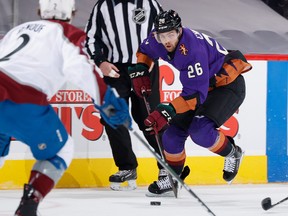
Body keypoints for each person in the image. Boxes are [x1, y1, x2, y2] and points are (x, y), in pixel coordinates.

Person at [0, 0, 131, 215]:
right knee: (60, 149)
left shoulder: (17, 30)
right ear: (72, 13)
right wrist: (109, 104)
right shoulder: (68, 33)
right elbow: (81, 70)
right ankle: (28, 206)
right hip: (22, 97)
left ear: (38, 11)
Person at [129, 9, 252, 196]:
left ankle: (232, 152)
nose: (167, 40)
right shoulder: (156, 41)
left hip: (227, 86)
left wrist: (168, 109)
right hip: (202, 87)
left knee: (200, 131)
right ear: (156, 35)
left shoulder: (192, 50)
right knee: (171, 136)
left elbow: (195, 96)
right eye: (162, 36)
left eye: (171, 34)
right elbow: (144, 51)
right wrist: (141, 69)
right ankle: (172, 179)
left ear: (179, 31)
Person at [85, 0, 165, 190]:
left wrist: (153, 58)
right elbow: (90, 38)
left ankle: (167, 167)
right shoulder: (102, 6)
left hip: (145, 66)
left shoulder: (149, 3)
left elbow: (165, 32)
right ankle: (127, 167)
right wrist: (100, 61)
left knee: (150, 117)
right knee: (112, 116)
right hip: (115, 70)